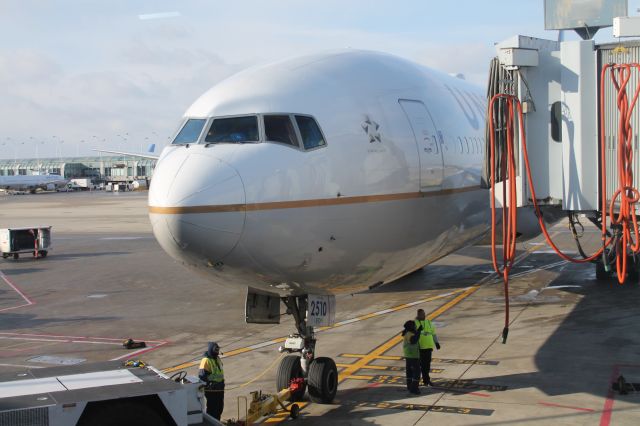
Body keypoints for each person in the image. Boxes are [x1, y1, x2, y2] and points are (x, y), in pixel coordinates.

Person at [415, 309, 441, 387]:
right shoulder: (415, 323)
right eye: (422, 314)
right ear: (418, 315)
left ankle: (426, 381)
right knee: (419, 366)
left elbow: (433, 334)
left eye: (424, 314)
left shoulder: (429, 322)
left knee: (427, 366)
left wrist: (436, 342)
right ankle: (416, 381)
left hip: (428, 348)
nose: (423, 315)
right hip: (419, 348)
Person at [199, 342, 225, 420]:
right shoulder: (206, 361)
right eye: (216, 350)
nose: (217, 352)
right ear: (211, 350)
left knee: (219, 408)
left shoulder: (217, 358)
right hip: (212, 390)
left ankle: (217, 422)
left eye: (218, 350)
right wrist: (209, 385)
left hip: (220, 388)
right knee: (212, 410)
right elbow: (202, 377)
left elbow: (220, 372)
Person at [402, 320, 423, 394]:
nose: (415, 327)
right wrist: (419, 331)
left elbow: (414, 336)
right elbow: (414, 340)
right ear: (411, 327)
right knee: (417, 372)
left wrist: (417, 331)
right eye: (414, 326)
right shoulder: (409, 334)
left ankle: (409, 386)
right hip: (412, 356)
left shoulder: (408, 332)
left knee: (409, 371)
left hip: (409, 355)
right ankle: (414, 389)